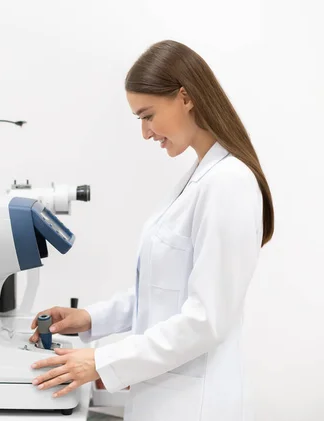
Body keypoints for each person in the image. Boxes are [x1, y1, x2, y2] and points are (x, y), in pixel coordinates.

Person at [29, 40, 274, 421]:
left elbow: (206, 320)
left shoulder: (228, 183)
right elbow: (164, 290)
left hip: (196, 406)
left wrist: (103, 361)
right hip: (165, 397)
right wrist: (91, 318)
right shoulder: (199, 178)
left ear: (185, 97)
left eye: (148, 115)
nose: (146, 133)